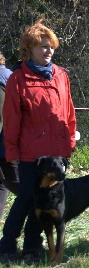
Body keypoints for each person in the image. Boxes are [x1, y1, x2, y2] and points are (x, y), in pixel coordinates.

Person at [0, 19, 76, 263]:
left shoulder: (61, 75)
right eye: (42, 46)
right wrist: (12, 152)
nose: (49, 50)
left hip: (56, 156)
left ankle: (33, 247)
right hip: (31, 156)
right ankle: (7, 245)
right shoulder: (18, 79)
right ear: (29, 49)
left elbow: (69, 112)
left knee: (43, 204)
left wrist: (69, 146)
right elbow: (11, 121)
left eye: (51, 46)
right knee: (24, 201)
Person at [0, 51, 19, 221]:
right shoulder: (10, 76)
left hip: (5, 145)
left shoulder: (5, 78)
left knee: (21, 187)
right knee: (3, 184)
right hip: (8, 144)